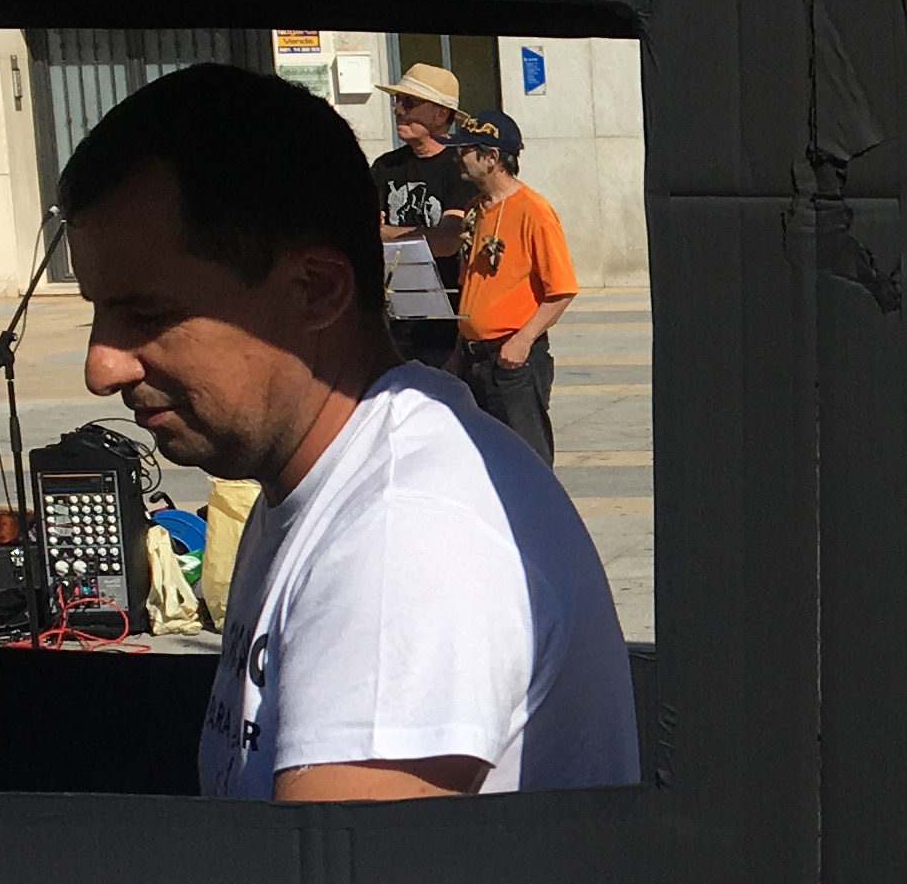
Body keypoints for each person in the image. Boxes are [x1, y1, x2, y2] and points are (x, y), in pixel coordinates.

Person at [59, 63, 640, 799]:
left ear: (318, 292)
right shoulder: (319, 477)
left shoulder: (405, 537)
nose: (100, 366)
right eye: (96, 310)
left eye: (146, 315)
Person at [445, 109, 577, 465]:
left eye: (467, 149)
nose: (458, 156)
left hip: (512, 360)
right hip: (474, 359)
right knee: (484, 460)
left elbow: (562, 290)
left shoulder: (533, 210)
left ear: (491, 158)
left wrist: (521, 341)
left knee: (527, 461)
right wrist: (460, 346)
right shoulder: (476, 209)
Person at [374, 60, 479, 369]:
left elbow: (448, 240)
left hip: (447, 323)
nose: (398, 110)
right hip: (393, 321)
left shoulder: (459, 168)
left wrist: (386, 233)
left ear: (440, 114)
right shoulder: (384, 167)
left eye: (410, 102)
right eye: (397, 101)